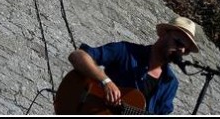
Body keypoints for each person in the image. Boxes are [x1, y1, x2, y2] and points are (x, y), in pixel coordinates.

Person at [67, 16, 199, 115]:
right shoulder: (126, 51)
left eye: (186, 50)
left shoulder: (170, 84)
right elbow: (77, 56)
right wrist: (106, 82)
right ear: (164, 35)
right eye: (179, 43)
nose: (181, 51)